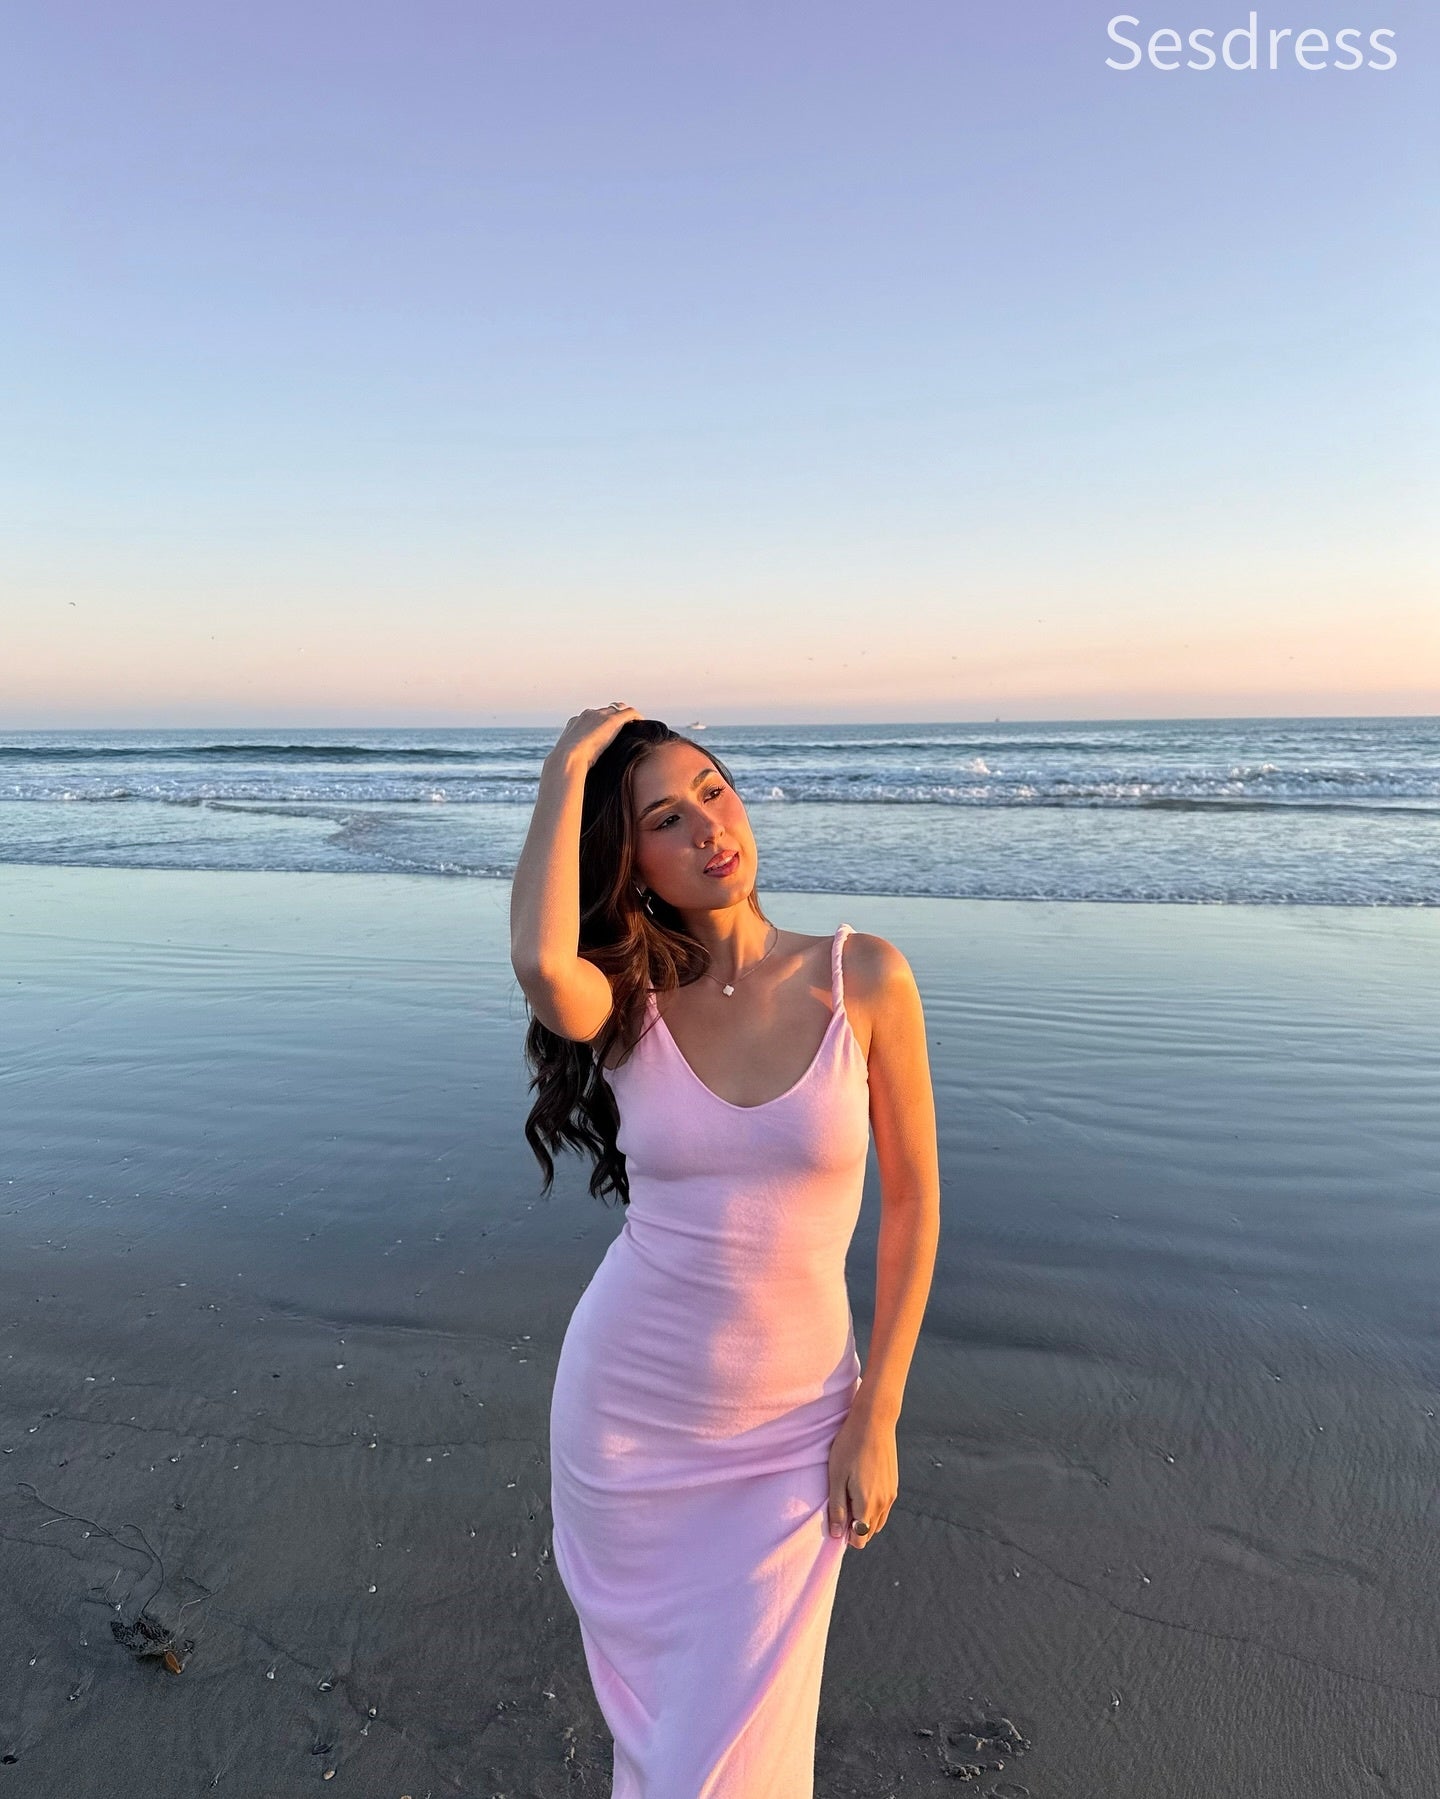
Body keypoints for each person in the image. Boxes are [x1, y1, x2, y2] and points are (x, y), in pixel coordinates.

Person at [510, 702, 941, 1795]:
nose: (709, 824)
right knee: (675, 1753)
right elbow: (541, 960)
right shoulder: (628, 1002)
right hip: (631, 1424)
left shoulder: (864, 977)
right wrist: (567, 767)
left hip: (796, 1429)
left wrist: (878, 1412)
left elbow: (914, 1206)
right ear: (631, 862)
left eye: (713, 789)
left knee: (737, 1758)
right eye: (665, 817)